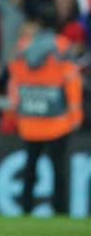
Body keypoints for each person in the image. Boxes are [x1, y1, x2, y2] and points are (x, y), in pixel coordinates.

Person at [7, 18, 84, 214]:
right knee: (58, 170)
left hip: (30, 121)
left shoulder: (20, 52)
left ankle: (25, 209)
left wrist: (16, 112)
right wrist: (76, 114)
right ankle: (60, 210)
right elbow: (72, 82)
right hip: (58, 121)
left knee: (30, 168)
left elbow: (15, 86)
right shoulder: (60, 47)